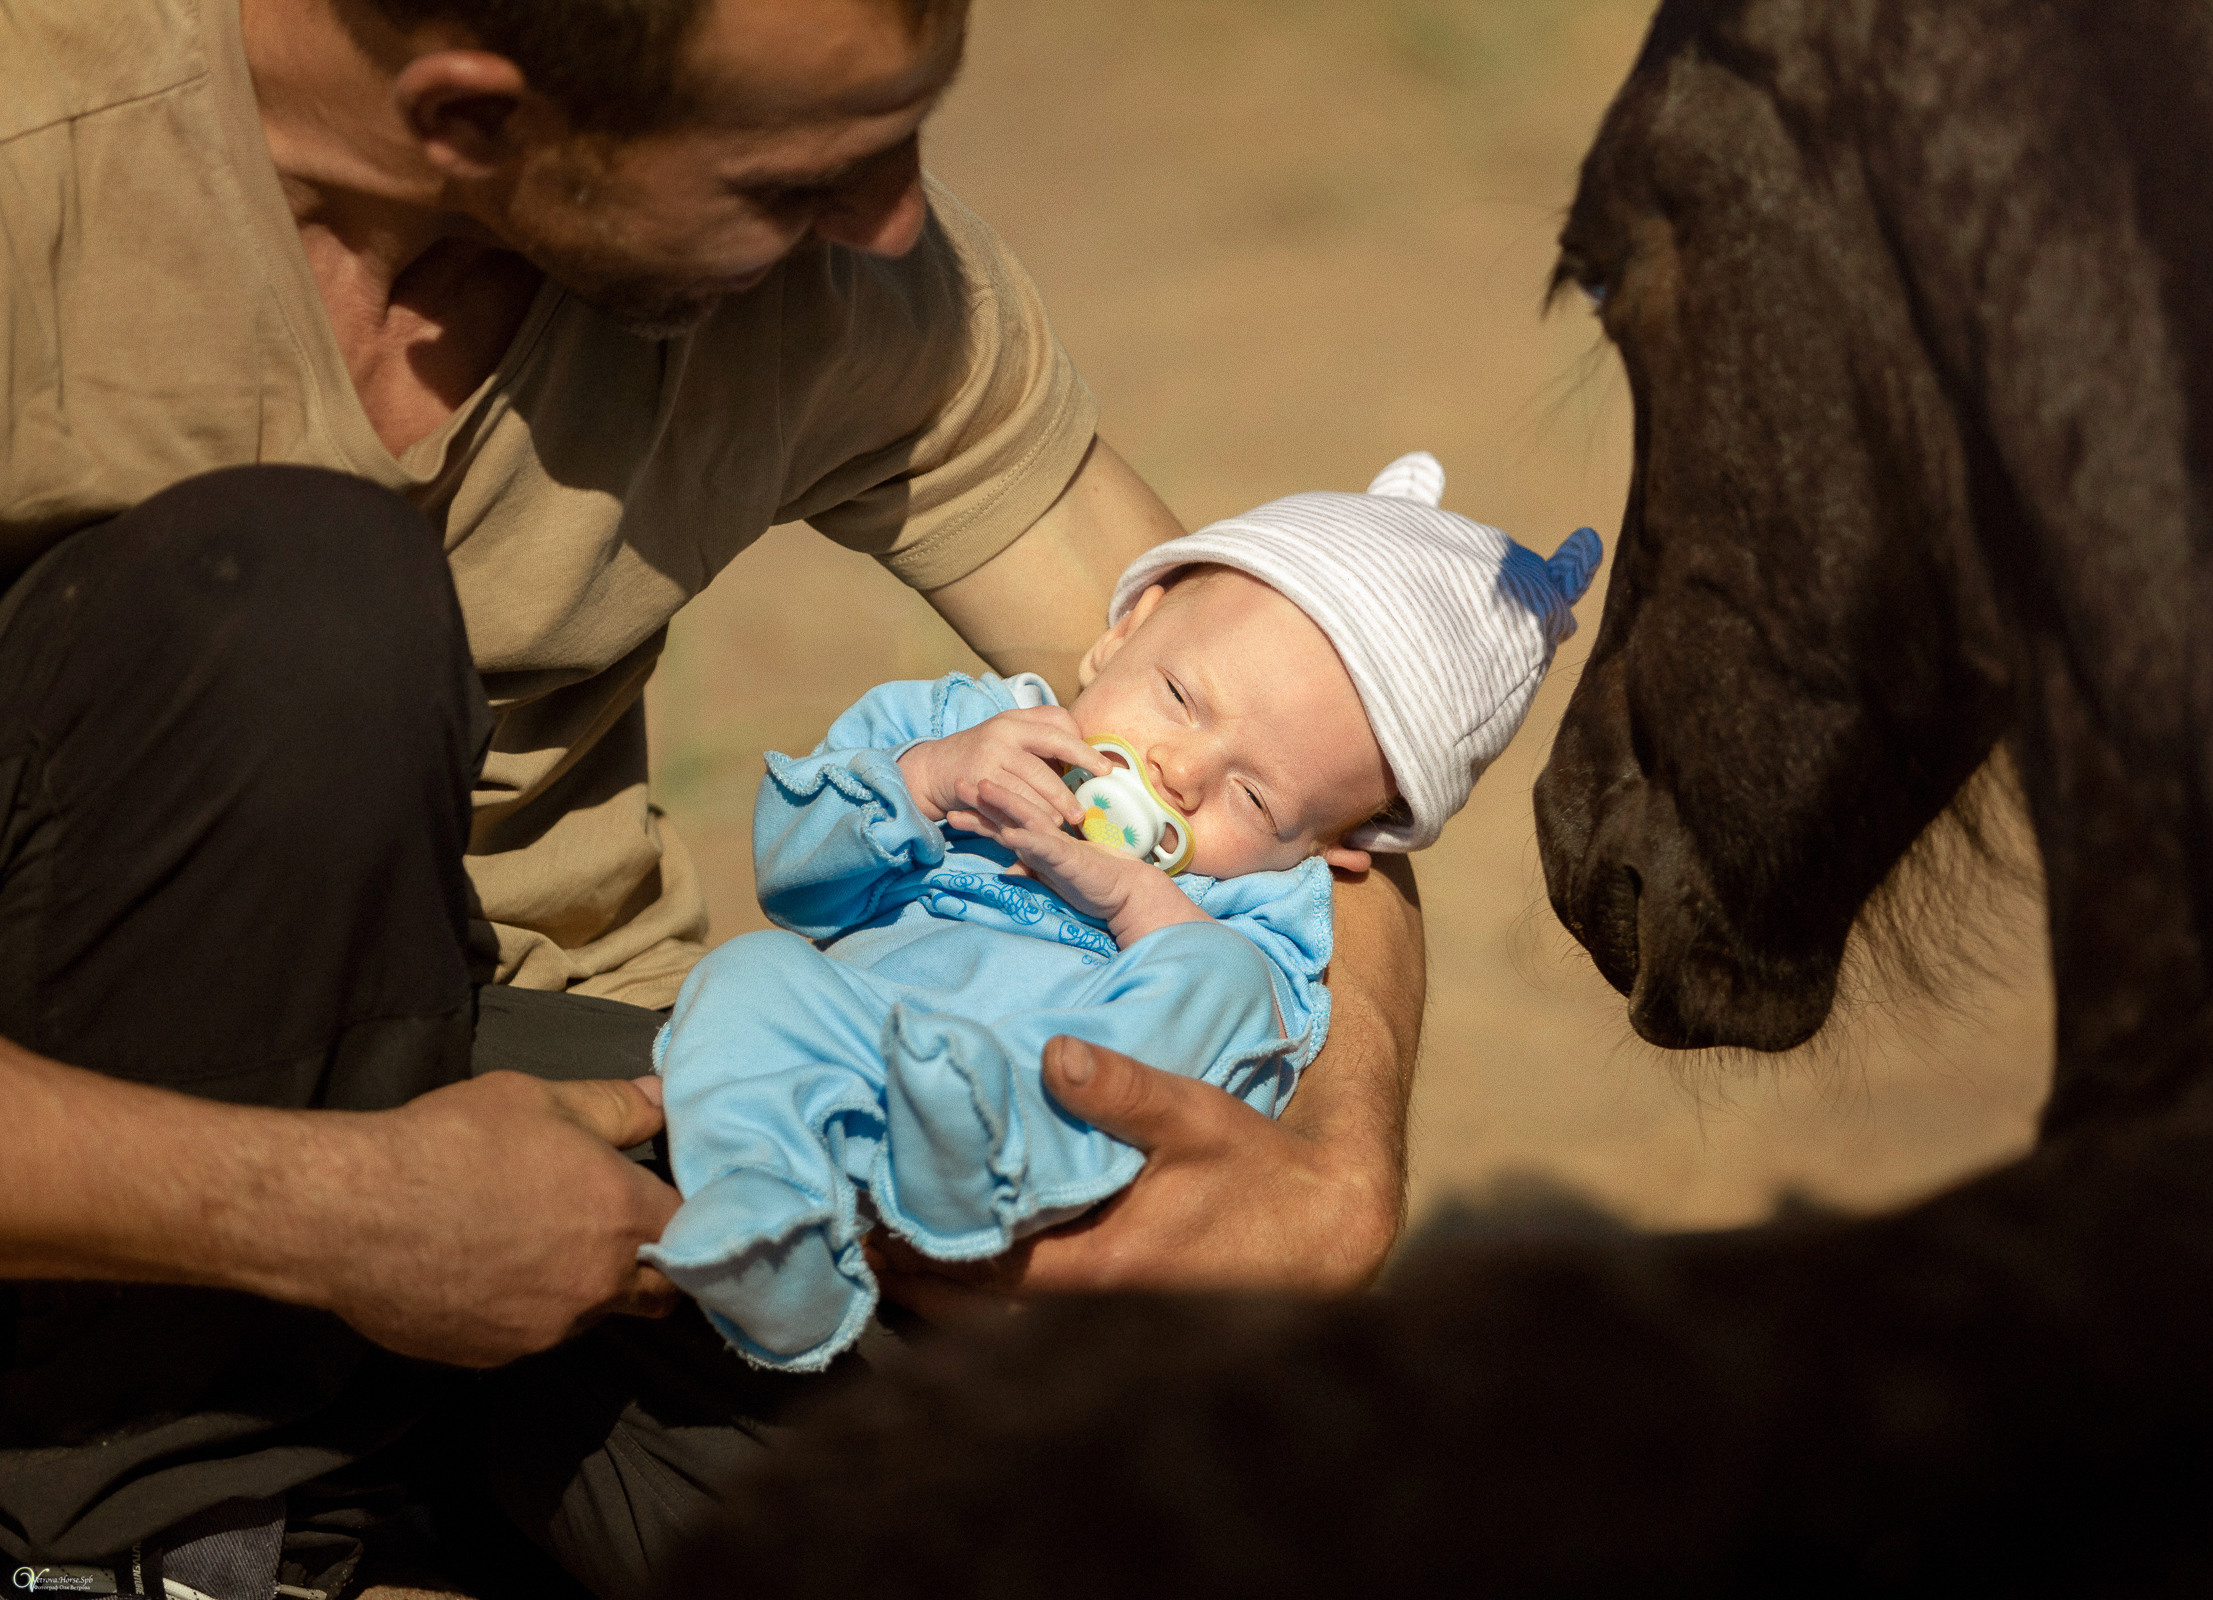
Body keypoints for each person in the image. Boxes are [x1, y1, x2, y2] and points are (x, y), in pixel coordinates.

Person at [0, 0, 1424, 1595]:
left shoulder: (856, 277)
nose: (892, 217)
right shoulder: (45, 160)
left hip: (546, 1098)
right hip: (82, 1123)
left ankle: (356, 1467)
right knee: (297, 614)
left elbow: (1297, 714)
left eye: (902, 135)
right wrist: (326, 1222)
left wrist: (1337, 1166)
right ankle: (127, 1531)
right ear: (475, 122)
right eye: (799, 175)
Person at [646, 458, 1603, 1372]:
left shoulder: (1258, 902)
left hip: (1053, 1120)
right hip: (860, 1043)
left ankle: (985, 1141)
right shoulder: (952, 727)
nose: (1182, 774)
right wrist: (927, 783)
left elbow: (1245, 1044)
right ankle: (771, 1241)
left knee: (1227, 980)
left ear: (1342, 847)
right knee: (746, 982)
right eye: (1182, 697)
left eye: (1258, 799)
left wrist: (1143, 903)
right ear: (1123, 631)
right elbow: (793, 877)